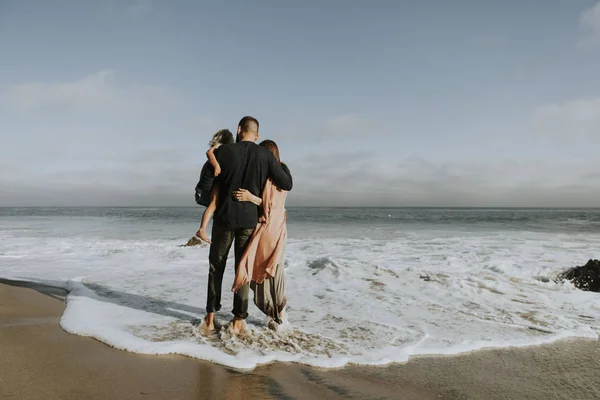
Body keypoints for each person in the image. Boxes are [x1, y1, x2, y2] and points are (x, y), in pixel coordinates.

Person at [199, 116, 293, 334]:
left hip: (224, 218)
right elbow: (286, 183)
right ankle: (239, 320)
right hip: (249, 222)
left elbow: (205, 183)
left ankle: (210, 318)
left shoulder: (223, 152)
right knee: (242, 268)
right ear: (256, 134)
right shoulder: (265, 156)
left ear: (239, 129)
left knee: (216, 268)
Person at [231, 139, 288, 331]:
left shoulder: (268, 175)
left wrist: (249, 197)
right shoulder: (283, 173)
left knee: (260, 267)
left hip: (268, 226)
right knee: (275, 269)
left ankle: (273, 314)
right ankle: (279, 316)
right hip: (280, 227)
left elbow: (267, 204)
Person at [194, 129, 234, 243]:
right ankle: (201, 229)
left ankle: (202, 229)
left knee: (214, 204)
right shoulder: (220, 147)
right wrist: (216, 166)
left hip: (211, 179)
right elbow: (209, 152)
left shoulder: (222, 150)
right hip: (209, 179)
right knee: (213, 204)